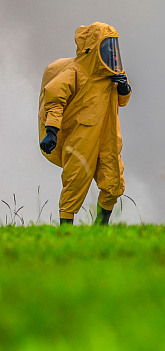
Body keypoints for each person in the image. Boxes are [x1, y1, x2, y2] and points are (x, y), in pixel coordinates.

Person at [39, 22, 132, 225]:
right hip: (81, 136)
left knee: (113, 182)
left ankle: (100, 228)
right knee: (75, 180)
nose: (111, 50)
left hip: (108, 137)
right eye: (106, 45)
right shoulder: (76, 72)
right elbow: (54, 100)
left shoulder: (113, 75)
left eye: (112, 45)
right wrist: (52, 130)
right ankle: (66, 230)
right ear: (93, 47)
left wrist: (124, 88)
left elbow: (121, 102)